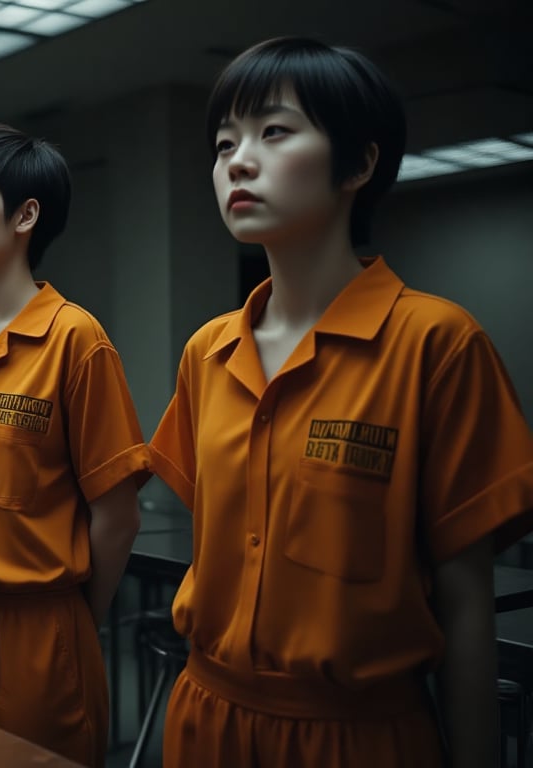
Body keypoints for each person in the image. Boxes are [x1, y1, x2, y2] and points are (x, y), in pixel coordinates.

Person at [148, 36, 533, 768]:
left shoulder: (436, 344)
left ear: (359, 163)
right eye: (224, 142)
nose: (238, 158)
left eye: (274, 131)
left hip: (357, 736)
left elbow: (465, 603)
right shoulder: (209, 351)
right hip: (206, 718)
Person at [0, 123, 150, 767]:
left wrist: (72, 619)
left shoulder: (76, 339)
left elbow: (117, 511)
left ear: (25, 215)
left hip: (36, 623)